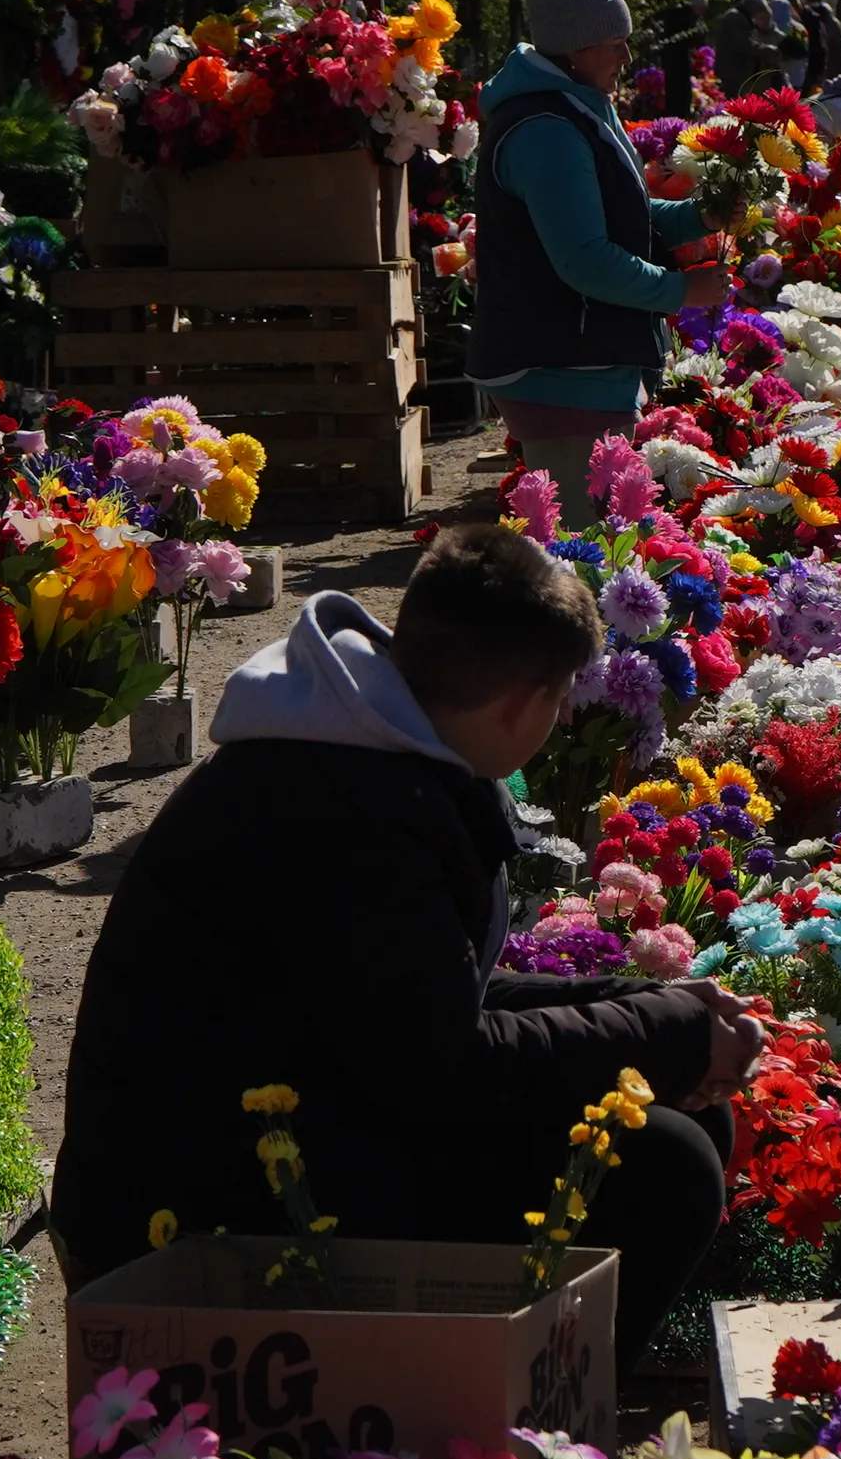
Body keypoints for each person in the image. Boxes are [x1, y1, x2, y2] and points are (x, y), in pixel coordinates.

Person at [53, 525, 762, 1367]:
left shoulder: (363, 755)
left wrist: (653, 1009)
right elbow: (442, 1066)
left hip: (295, 1130)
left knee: (673, 1113)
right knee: (664, 1165)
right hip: (189, 1223)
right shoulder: (344, 811)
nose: (567, 717)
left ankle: (520, 1404)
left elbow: (426, 1005)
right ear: (519, 705)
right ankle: (508, 1428)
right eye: (562, 698)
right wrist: (667, 1033)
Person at [467, 0, 732, 499]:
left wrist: (699, 216)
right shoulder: (546, 130)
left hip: (579, 362)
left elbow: (620, 212)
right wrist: (681, 289)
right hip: (559, 368)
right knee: (582, 535)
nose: (627, 57)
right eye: (616, 43)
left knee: (600, 533)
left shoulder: (577, 107)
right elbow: (584, 258)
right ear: (576, 48)